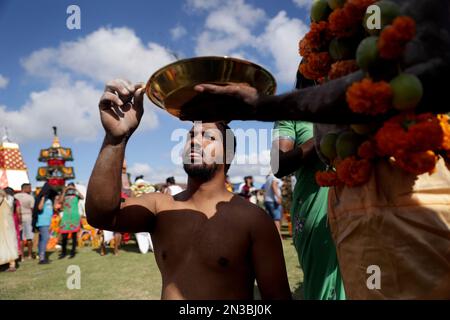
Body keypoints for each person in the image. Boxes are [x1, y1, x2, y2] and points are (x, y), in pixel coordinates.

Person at [86, 79, 291, 300]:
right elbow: (102, 216)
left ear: (228, 155)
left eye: (208, 137)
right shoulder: (160, 206)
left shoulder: (254, 220)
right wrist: (116, 139)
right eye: (191, 136)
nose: (195, 141)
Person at [34, 183, 58, 264]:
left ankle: (41, 257)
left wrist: (55, 199)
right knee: (45, 238)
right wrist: (43, 198)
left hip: (47, 222)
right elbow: (39, 208)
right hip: (42, 221)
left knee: (42, 239)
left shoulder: (50, 200)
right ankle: (42, 258)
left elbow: (54, 208)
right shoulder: (42, 198)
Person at [59, 183, 84, 259]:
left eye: (71, 187)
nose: (70, 189)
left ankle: (72, 253)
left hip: (74, 216)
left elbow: (82, 197)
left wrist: (75, 189)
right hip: (66, 217)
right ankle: (63, 253)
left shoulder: (76, 194)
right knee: (64, 236)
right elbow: (60, 201)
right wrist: (65, 190)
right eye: (69, 187)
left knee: (74, 236)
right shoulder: (65, 194)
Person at [0, 189, 19, 271]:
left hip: (4, 225)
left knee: (6, 243)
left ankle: (11, 264)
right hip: (8, 224)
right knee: (10, 243)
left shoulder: (7, 199)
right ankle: (11, 264)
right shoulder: (10, 199)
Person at [14, 183, 35, 260]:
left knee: (21, 238)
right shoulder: (30, 197)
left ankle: (22, 256)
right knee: (29, 237)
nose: (30, 190)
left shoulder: (15, 196)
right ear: (25, 188)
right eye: (29, 188)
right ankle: (29, 255)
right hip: (28, 217)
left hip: (17, 218)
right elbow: (32, 209)